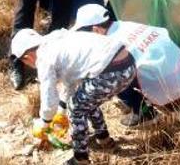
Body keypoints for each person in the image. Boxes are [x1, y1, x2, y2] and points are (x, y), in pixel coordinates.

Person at [12, 28, 135, 165]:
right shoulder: (56, 40)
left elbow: (49, 99)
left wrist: (44, 123)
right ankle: (103, 138)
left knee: (76, 109)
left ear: (27, 57)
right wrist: (62, 111)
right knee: (85, 99)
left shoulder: (43, 58)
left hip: (110, 72)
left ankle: (80, 159)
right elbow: (70, 84)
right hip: (127, 64)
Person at [71, 4, 180, 127]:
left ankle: (144, 113)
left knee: (113, 74)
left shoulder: (110, 44)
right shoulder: (126, 25)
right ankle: (167, 103)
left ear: (95, 29)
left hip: (167, 86)